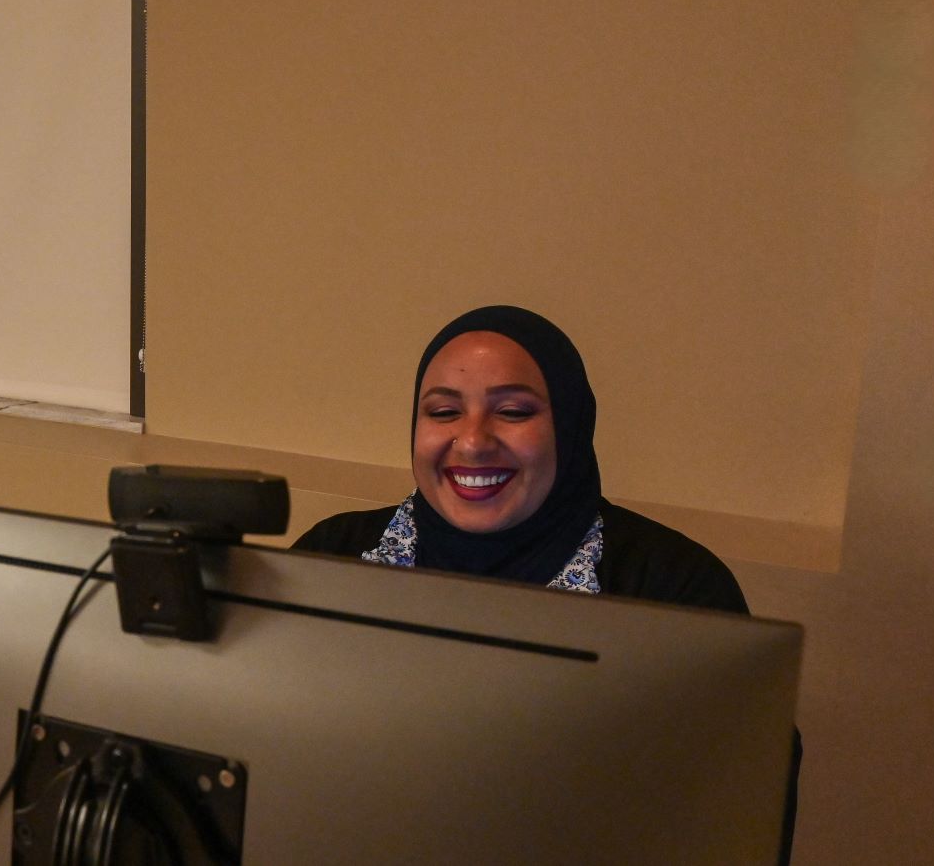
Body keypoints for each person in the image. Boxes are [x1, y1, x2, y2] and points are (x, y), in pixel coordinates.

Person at [294, 304, 799, 861]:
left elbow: (728, 820)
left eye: (512, 411)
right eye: (443, 411)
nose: (472, 442)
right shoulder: (334, 557)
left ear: (571, 425)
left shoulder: (674, 588)